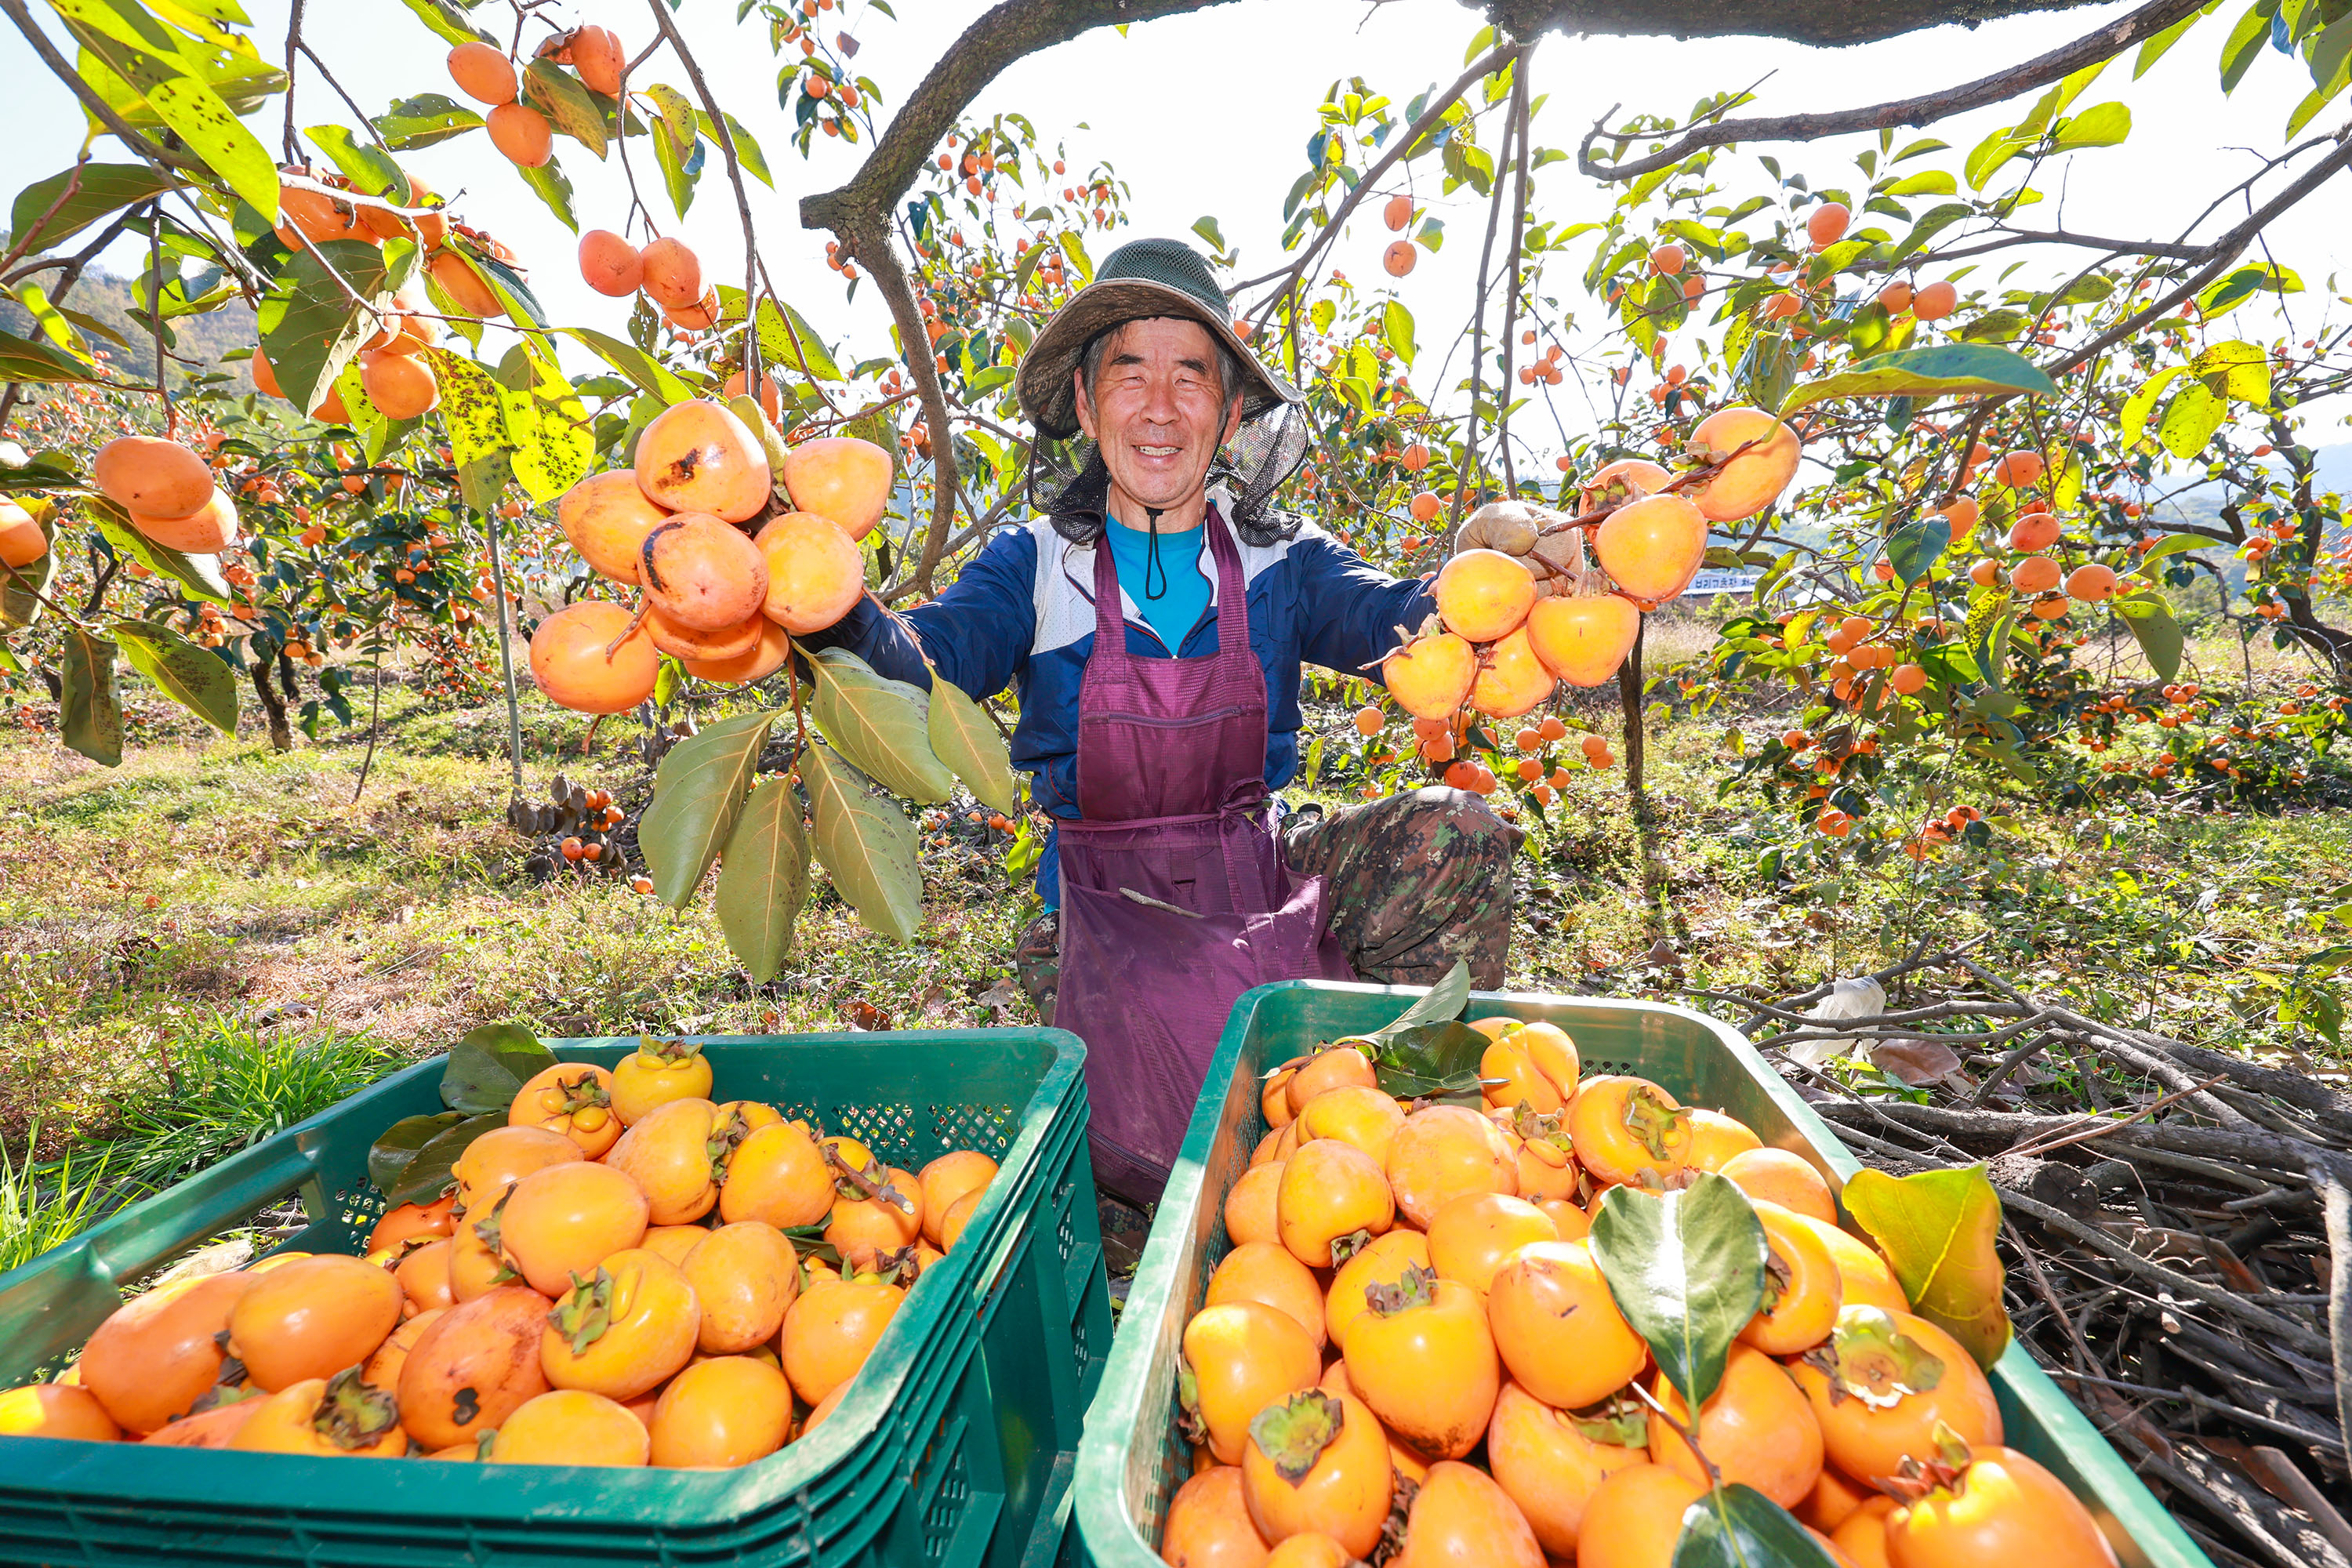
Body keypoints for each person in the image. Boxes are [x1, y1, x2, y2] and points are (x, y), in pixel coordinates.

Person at [806, 237, 1519, 1222]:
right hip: (1098, 913)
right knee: (1144, 1186)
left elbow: (1402, 627)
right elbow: (923, 665)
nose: (1159, 404)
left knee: (1458, 831)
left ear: (1229, 414)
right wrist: (819, 598)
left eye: (1191, 373)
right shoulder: (1034, 566)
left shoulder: (1281, 559)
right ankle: (1168, 1186)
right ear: (1089, 404)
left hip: (1256, 879)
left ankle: (1405, 1127)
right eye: (1129, 370)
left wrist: (1508, 591)